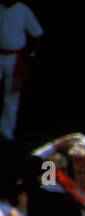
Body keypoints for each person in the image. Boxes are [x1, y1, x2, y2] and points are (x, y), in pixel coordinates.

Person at [0, 0, 41, 141]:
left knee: (12, 96)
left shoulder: (23, 10)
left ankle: (6, 131)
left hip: (15, 58)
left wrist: (33, 53)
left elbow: (37, 33)